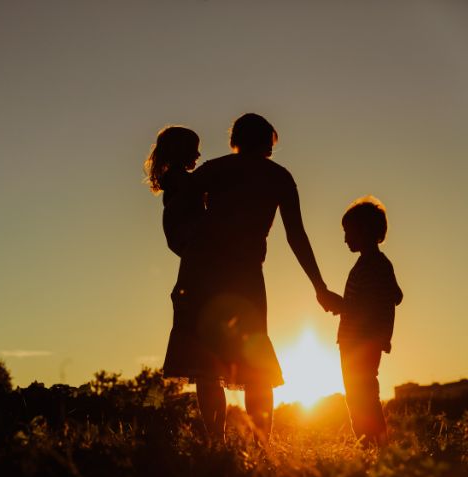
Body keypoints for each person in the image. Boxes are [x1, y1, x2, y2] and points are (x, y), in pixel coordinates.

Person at [160, 113, 336, 443]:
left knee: (206, 366)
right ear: (269, 141)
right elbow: (296, 235)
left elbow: (175, 212)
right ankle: (261, 446)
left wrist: (188, 246)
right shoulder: (279, 177)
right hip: (244, 275)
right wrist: (319, 286)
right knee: (257, 366)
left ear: (236, 139)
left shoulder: (215, 169)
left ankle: (216, 443)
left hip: (201, 273)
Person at [323, 197, 403, 445]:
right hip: (352, 340)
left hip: (361, 341)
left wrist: (342, 305)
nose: (346, 239)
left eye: (349, 233)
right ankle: (370, 444)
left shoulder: (375, 265)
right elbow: (395, 295)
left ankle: (373, 444)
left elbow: (376, 303)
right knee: (358, 393)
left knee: (362, 394)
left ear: (366, 232)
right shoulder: (371, 264)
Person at [144, 126, 204, 256]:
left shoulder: (173, 179)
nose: (198, 154)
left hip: (186, 241)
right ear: (180, 150)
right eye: (194, 149)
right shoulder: (178, 178)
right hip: (191, 238)